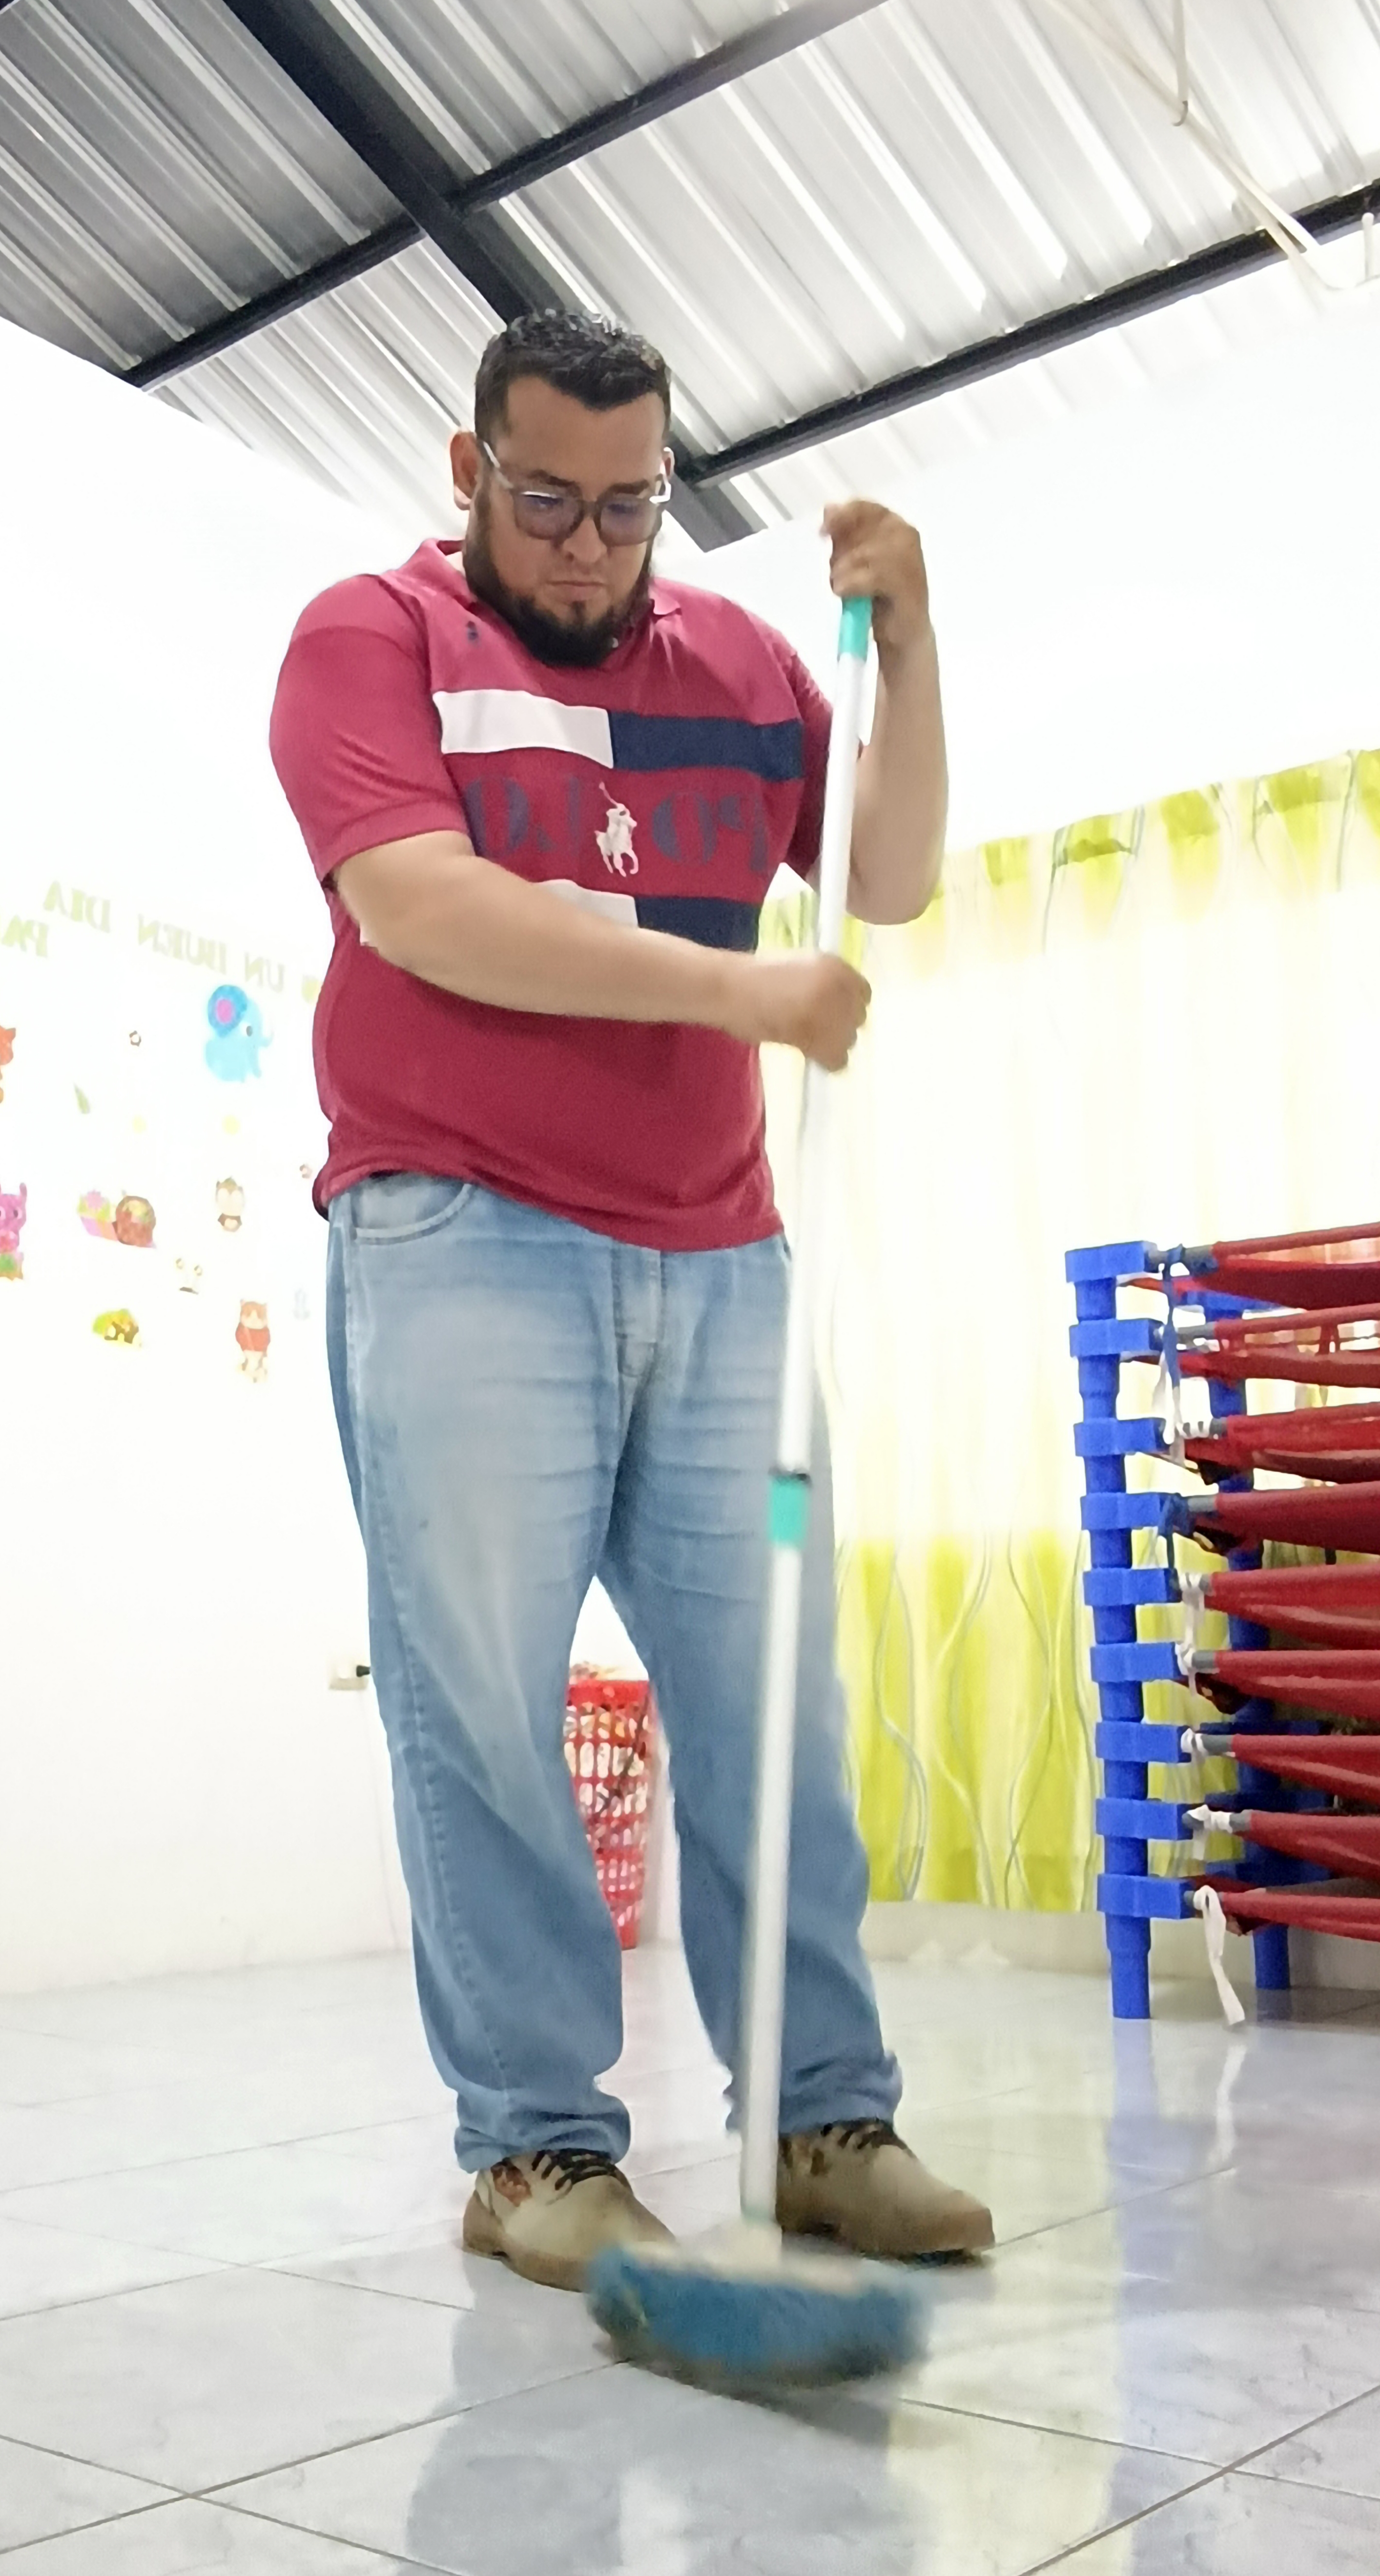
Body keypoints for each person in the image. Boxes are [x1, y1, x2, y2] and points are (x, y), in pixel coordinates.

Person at [270, 309, 992, 2290]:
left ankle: (825, 2119)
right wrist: (738, 990)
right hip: (460, 1232)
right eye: (548, 501)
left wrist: (915, 646)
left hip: (722, 1256)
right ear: (469, 468)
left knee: (776, 1705)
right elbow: (422, 906)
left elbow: (889, 874)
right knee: (484, 1707)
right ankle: (537, 2149)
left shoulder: (745, 668)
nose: (588, 546)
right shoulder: (370, 641)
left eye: (628, 506)